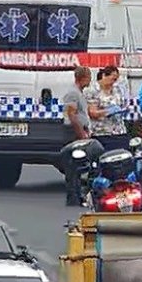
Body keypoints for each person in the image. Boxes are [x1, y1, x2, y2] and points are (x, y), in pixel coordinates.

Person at [61, 67, 92, 206]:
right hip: (73, 132)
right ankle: (72, 197)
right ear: (83, 78)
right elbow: (72, 115)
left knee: (79, 166)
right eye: (89, 77)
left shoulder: (79, 92)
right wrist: (81, 135)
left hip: (80, 130)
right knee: (72, 167)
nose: (90, 80)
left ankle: (78, 194)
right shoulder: (72, 93)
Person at [86, 65, 129, 152]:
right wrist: (108, 111)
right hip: (101, 132)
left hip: (119, 131)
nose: (113, 82)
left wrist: (122, 110)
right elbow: (92, 112)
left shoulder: (117, 89)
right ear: (104, 76)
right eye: (112, 79)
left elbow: (122, 104)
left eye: (116, 80)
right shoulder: (93, 90)